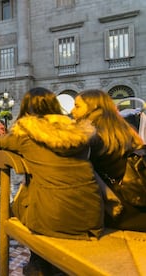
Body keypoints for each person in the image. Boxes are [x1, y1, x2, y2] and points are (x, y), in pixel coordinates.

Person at [0, 87, 103, 275]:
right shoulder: (79, 132)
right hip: (91, 216)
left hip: (53, 218)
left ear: (26, 109)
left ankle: (38, 266)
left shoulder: (26, 135)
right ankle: (40, 266)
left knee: (18, 202)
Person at [71, 89, 146, 231]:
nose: (72, 110)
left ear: (93, 107)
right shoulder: (124, 127)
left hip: (119, 210)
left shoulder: (90, 133)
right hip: (137, 199)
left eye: (77, 106)